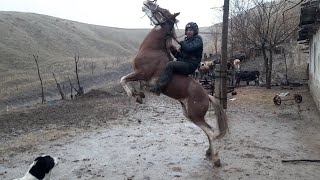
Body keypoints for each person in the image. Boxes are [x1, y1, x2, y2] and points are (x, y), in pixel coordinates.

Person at [149, 22, 203, 94]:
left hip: (190, 65)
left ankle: (158, 88)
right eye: (187, 30)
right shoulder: (186, 41)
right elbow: (179, 56)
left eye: (191, 30)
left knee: (170, 65)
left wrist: (180, 42)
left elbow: (189, 48)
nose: (189, 32)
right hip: (185, 62)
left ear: (195, 31)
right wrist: (173, 50)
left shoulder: (198, 39)